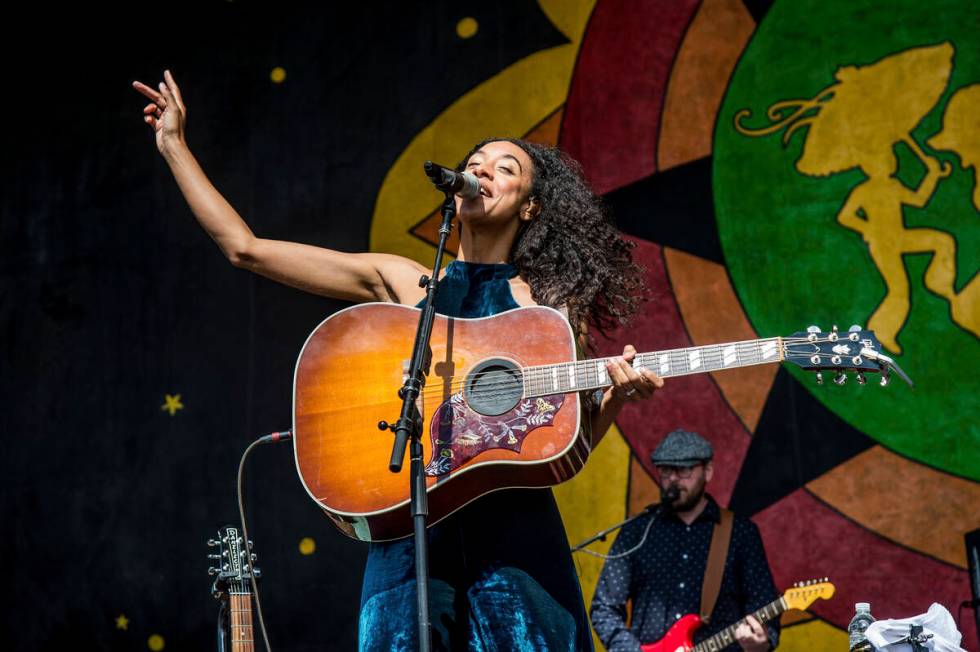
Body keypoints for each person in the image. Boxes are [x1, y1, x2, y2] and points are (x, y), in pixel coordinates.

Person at [134, 70, 664, 650]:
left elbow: (568, 449)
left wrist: (614, 396)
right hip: (409, 533)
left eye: (505, 167)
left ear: (531, 208)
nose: (483, 168)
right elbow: (247, 249)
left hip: (517, 540)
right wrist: (174, 146)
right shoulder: (405, 282)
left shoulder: (549, 312)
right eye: (477, 160)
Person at [590, 429, 779, 652]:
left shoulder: (741, 533)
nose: (672, 480)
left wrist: (760, 642)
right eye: (666, 470)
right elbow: (604, 606)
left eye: (684, 470)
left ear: (707, 471)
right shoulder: (637, 531)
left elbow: (763, 604)